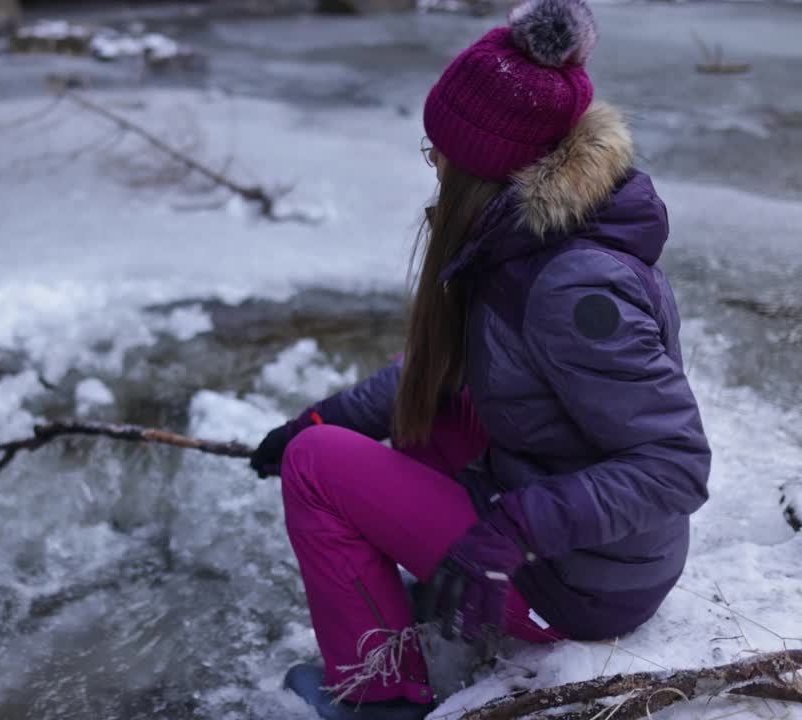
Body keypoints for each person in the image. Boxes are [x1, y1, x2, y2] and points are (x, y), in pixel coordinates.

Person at [249, 1, 712, 718]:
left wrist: (511, 533)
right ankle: (413, 601)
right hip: (581, 546)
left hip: (586, 586)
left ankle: (380, 698)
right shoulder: (528, 240)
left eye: (442, 153)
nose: (433, 165)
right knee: (399, 423)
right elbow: (449, 374)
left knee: (317, 469)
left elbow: (674, 466)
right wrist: (322, 414)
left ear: (489, 165)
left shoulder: (574, 287)